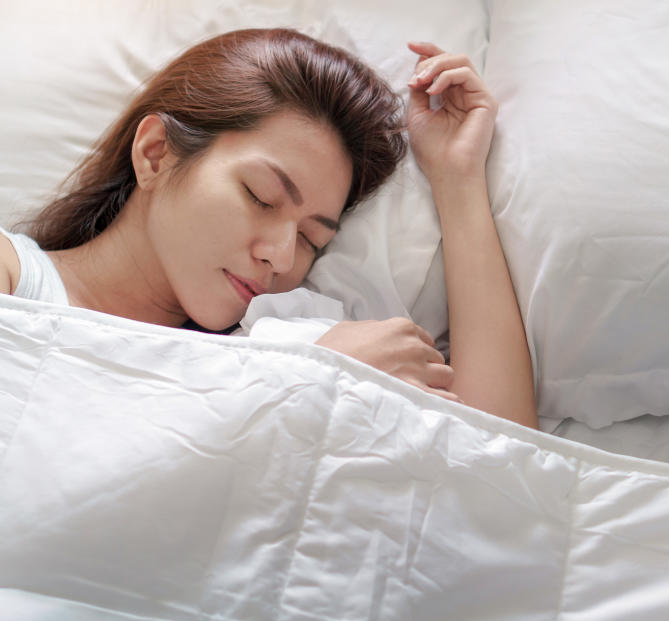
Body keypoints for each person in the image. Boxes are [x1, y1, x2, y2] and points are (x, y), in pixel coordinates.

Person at [0, 29, 537, 430]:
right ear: (156, 154)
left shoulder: (285, 335)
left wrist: (458, 181)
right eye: (262, 197)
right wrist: (297, 382)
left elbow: (501, 460)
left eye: (311, 240)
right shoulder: (13, 277)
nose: (282, 257)